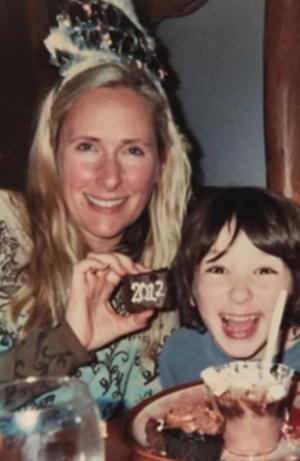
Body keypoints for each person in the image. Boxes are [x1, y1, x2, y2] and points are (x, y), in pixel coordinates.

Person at [0, 0, 191, 419]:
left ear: (160, 166)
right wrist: (67, 341)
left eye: (133, 151)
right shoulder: (4, 230)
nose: (109, 178)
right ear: (54, 153)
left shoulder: (157, 279)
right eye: (87, 146)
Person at [159, 187, 300, 388]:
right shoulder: (181, 353)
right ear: (190, 287)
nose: (240, 294)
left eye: (264, 271)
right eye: (218, 269)